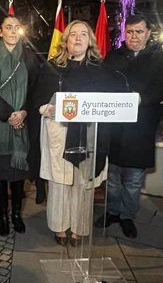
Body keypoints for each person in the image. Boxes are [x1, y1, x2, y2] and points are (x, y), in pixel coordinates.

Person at [33, 20, 122, 246]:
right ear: (66, 40)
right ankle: (60, 227)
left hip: (90, 134)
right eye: (74, 34)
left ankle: (79, 228)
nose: (79, 38)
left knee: (83, 184)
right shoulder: (52, 67)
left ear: (90, 40)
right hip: (59, 134)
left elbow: (111, 104)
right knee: (61, 183)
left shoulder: (101, 70)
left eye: (84, 34)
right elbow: (38, 101)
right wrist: (49, 109)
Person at [96, 14, 163, 239]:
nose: (134, 36)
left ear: (148, 33)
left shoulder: (158, 58)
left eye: (139, 31)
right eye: (129, 32)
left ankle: (127, 216)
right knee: (112, 176)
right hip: (116, 127)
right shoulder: (113, 57)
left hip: (141, 126)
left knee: (134, 179)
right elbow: (102, 85)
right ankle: (112, 212)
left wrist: (143, 99)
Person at [0, 16, 40, 235]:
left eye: (17, 27)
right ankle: (3, 216)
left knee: (17, 174)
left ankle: (16, 214)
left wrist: (24, 112)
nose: (13, 31)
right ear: (1, 31)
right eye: (9, 27)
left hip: (22, 122)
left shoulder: (29, 56)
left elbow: (35, 88)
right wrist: (7, 114)